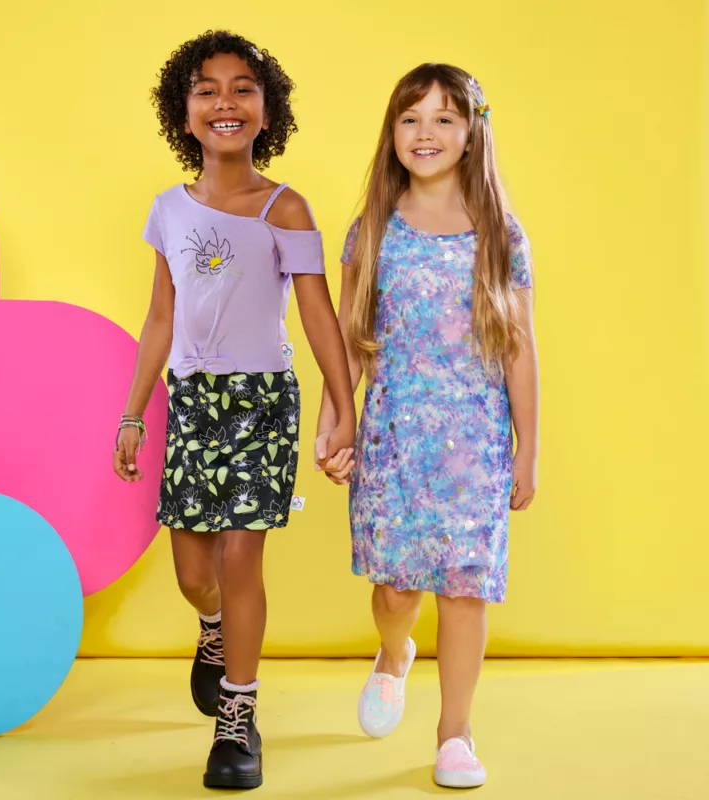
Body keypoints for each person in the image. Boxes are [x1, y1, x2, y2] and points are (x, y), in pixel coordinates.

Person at [114, 30, 355, 791]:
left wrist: (343, 406)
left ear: (266, 110)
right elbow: (160, 317)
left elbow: (317, 315)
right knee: (195, 572)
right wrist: (132, 413)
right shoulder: (168, 211)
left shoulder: (286, 209)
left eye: (243, 88)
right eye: (207, 89)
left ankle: (238, 718)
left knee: (242, 555)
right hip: (192, 401)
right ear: (184, 113)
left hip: (262, 401)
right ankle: (213, 632)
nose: (226, 101)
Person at [316, 63, 539, 789]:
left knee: (465, 591)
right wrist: (335, 423)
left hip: (475, 441)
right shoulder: (373, 231)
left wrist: (527, 449)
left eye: (445, 118)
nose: (426, 133)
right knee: (396, 591)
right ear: (392, 132)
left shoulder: (501, 236)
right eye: (411, 118)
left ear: (473, 133)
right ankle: (394, 653)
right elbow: (349, 339)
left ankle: (455, 734)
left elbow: (520, 349)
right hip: (393, 440)